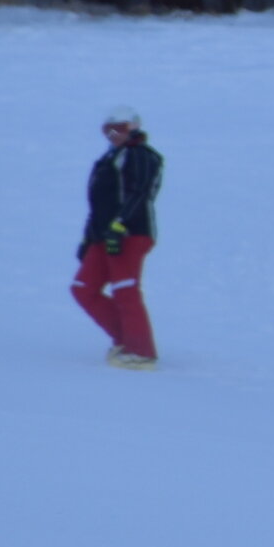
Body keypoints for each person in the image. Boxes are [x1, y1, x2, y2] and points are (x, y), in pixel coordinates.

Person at [72, 106, 163, 369]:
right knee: (83, 289)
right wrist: (88, 238)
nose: (113, 135)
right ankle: (126, 339)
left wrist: (120, 225)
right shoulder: (107, 160)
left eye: (119, 129)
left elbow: (140, 193)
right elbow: (98, 204)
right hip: (102, 235)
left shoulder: (142, 156)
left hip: (130, 233)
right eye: (108, 131)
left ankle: (141, 351)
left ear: (133, 128)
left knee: (125, 289)